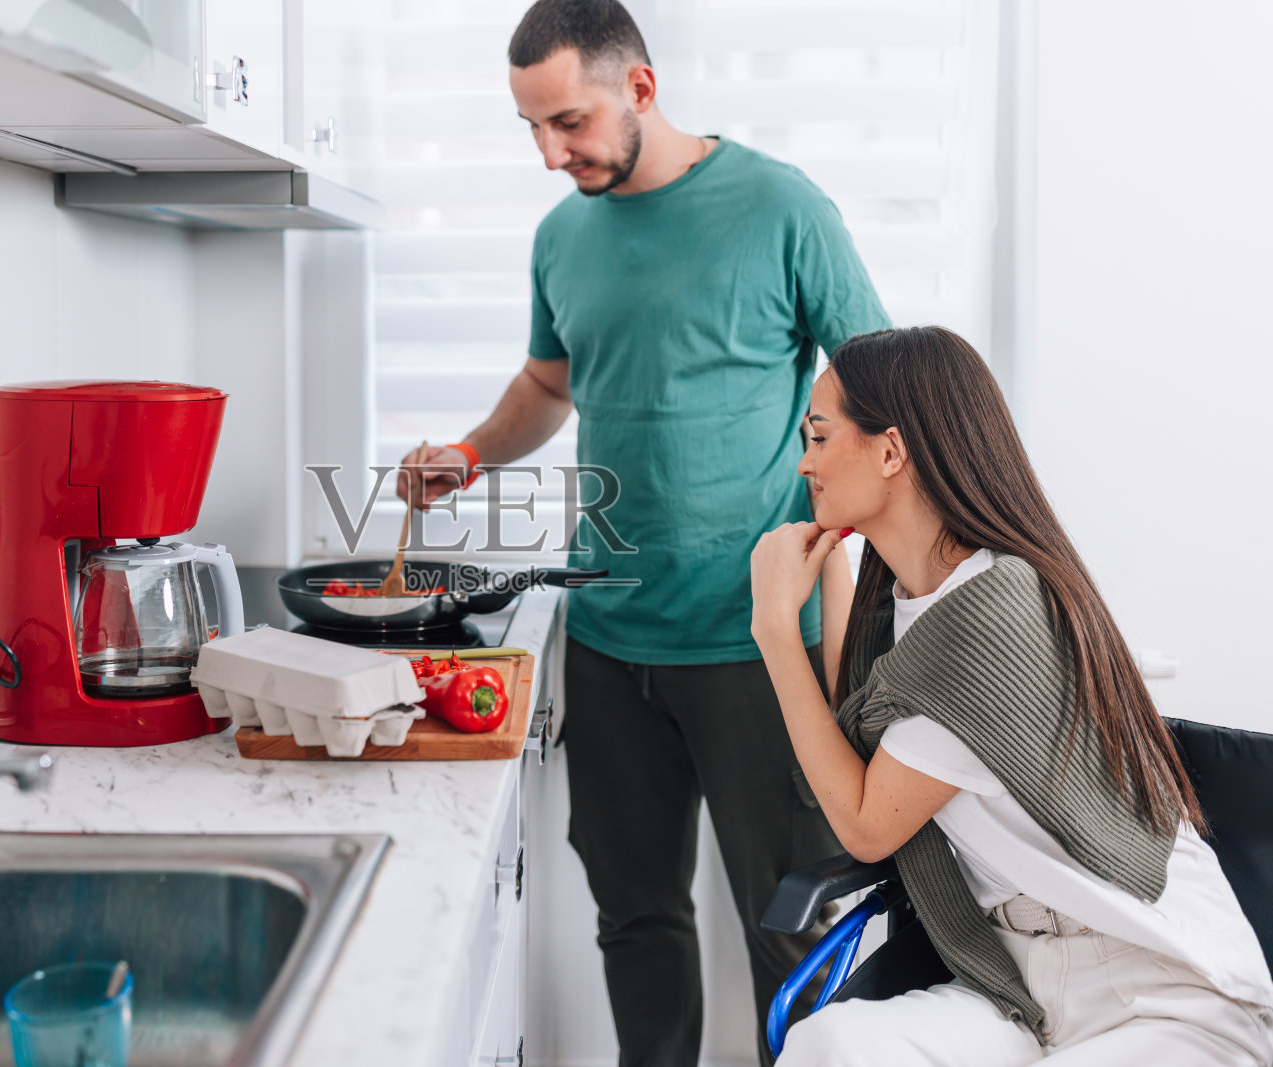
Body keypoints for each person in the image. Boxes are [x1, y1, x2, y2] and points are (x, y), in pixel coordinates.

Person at [395, 1, 889, 1062]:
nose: (549, 153)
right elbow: (549, 382)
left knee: (793, 926)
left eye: (567, 122)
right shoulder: (561, 236)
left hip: (760, 645)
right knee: (636, 919)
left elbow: (883, 383)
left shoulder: (780, 208)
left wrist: (847, 539)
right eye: (531, 128)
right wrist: (470, 453)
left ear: (641, 88)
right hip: (611, 642)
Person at [749, 325, 1273, 1065]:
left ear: (891, 451)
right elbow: (855, 724)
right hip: (1017, 982)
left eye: (820, 436)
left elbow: (865, 824)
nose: (805, 461)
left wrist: (775, 631)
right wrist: (828, 557)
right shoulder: (911, 599)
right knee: (828, 1043)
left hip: (1164, 989)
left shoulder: (996, 612)